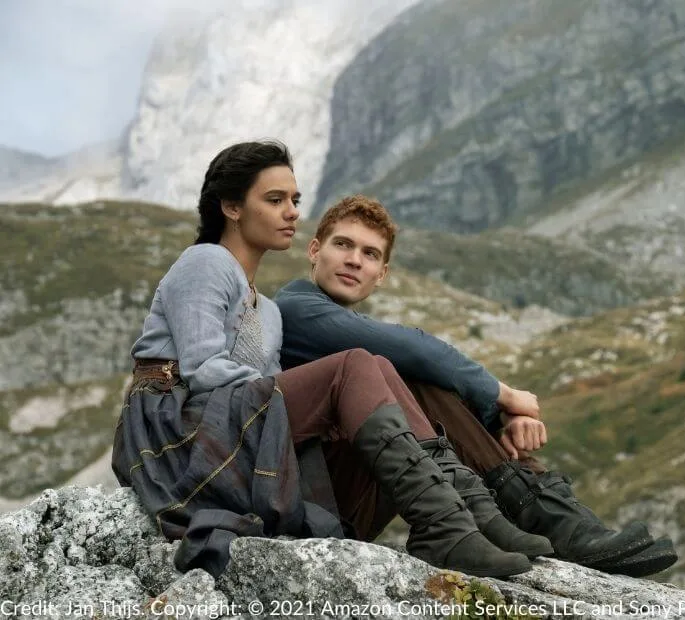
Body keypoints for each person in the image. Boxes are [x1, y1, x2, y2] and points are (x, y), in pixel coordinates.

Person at [111, 141, 538, 580]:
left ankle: (469, 516)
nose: (292, 212)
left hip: (234, 428)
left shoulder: (269, 310)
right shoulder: (206, 261)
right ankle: (446, 525)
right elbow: (203, 371)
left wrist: (334, 411)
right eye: (275, 200)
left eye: (294, 200)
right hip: (176, 429)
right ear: (232, 207)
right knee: (354, 365)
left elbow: (267, 393)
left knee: (383, 376)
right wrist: (324, 397)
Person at [274, 195, 679, 577]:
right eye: (343, 245)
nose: (354, 260)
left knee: (401, 373)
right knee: (405, 369)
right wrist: (505, 397)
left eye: (370, 254)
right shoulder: (294, 308)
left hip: (353, 496)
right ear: (314, 251)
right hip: (316, 499)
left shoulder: (343, 324)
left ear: (382, 275)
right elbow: (415, 348)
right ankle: (545, 514)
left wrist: (498, 425)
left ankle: (539, 513)